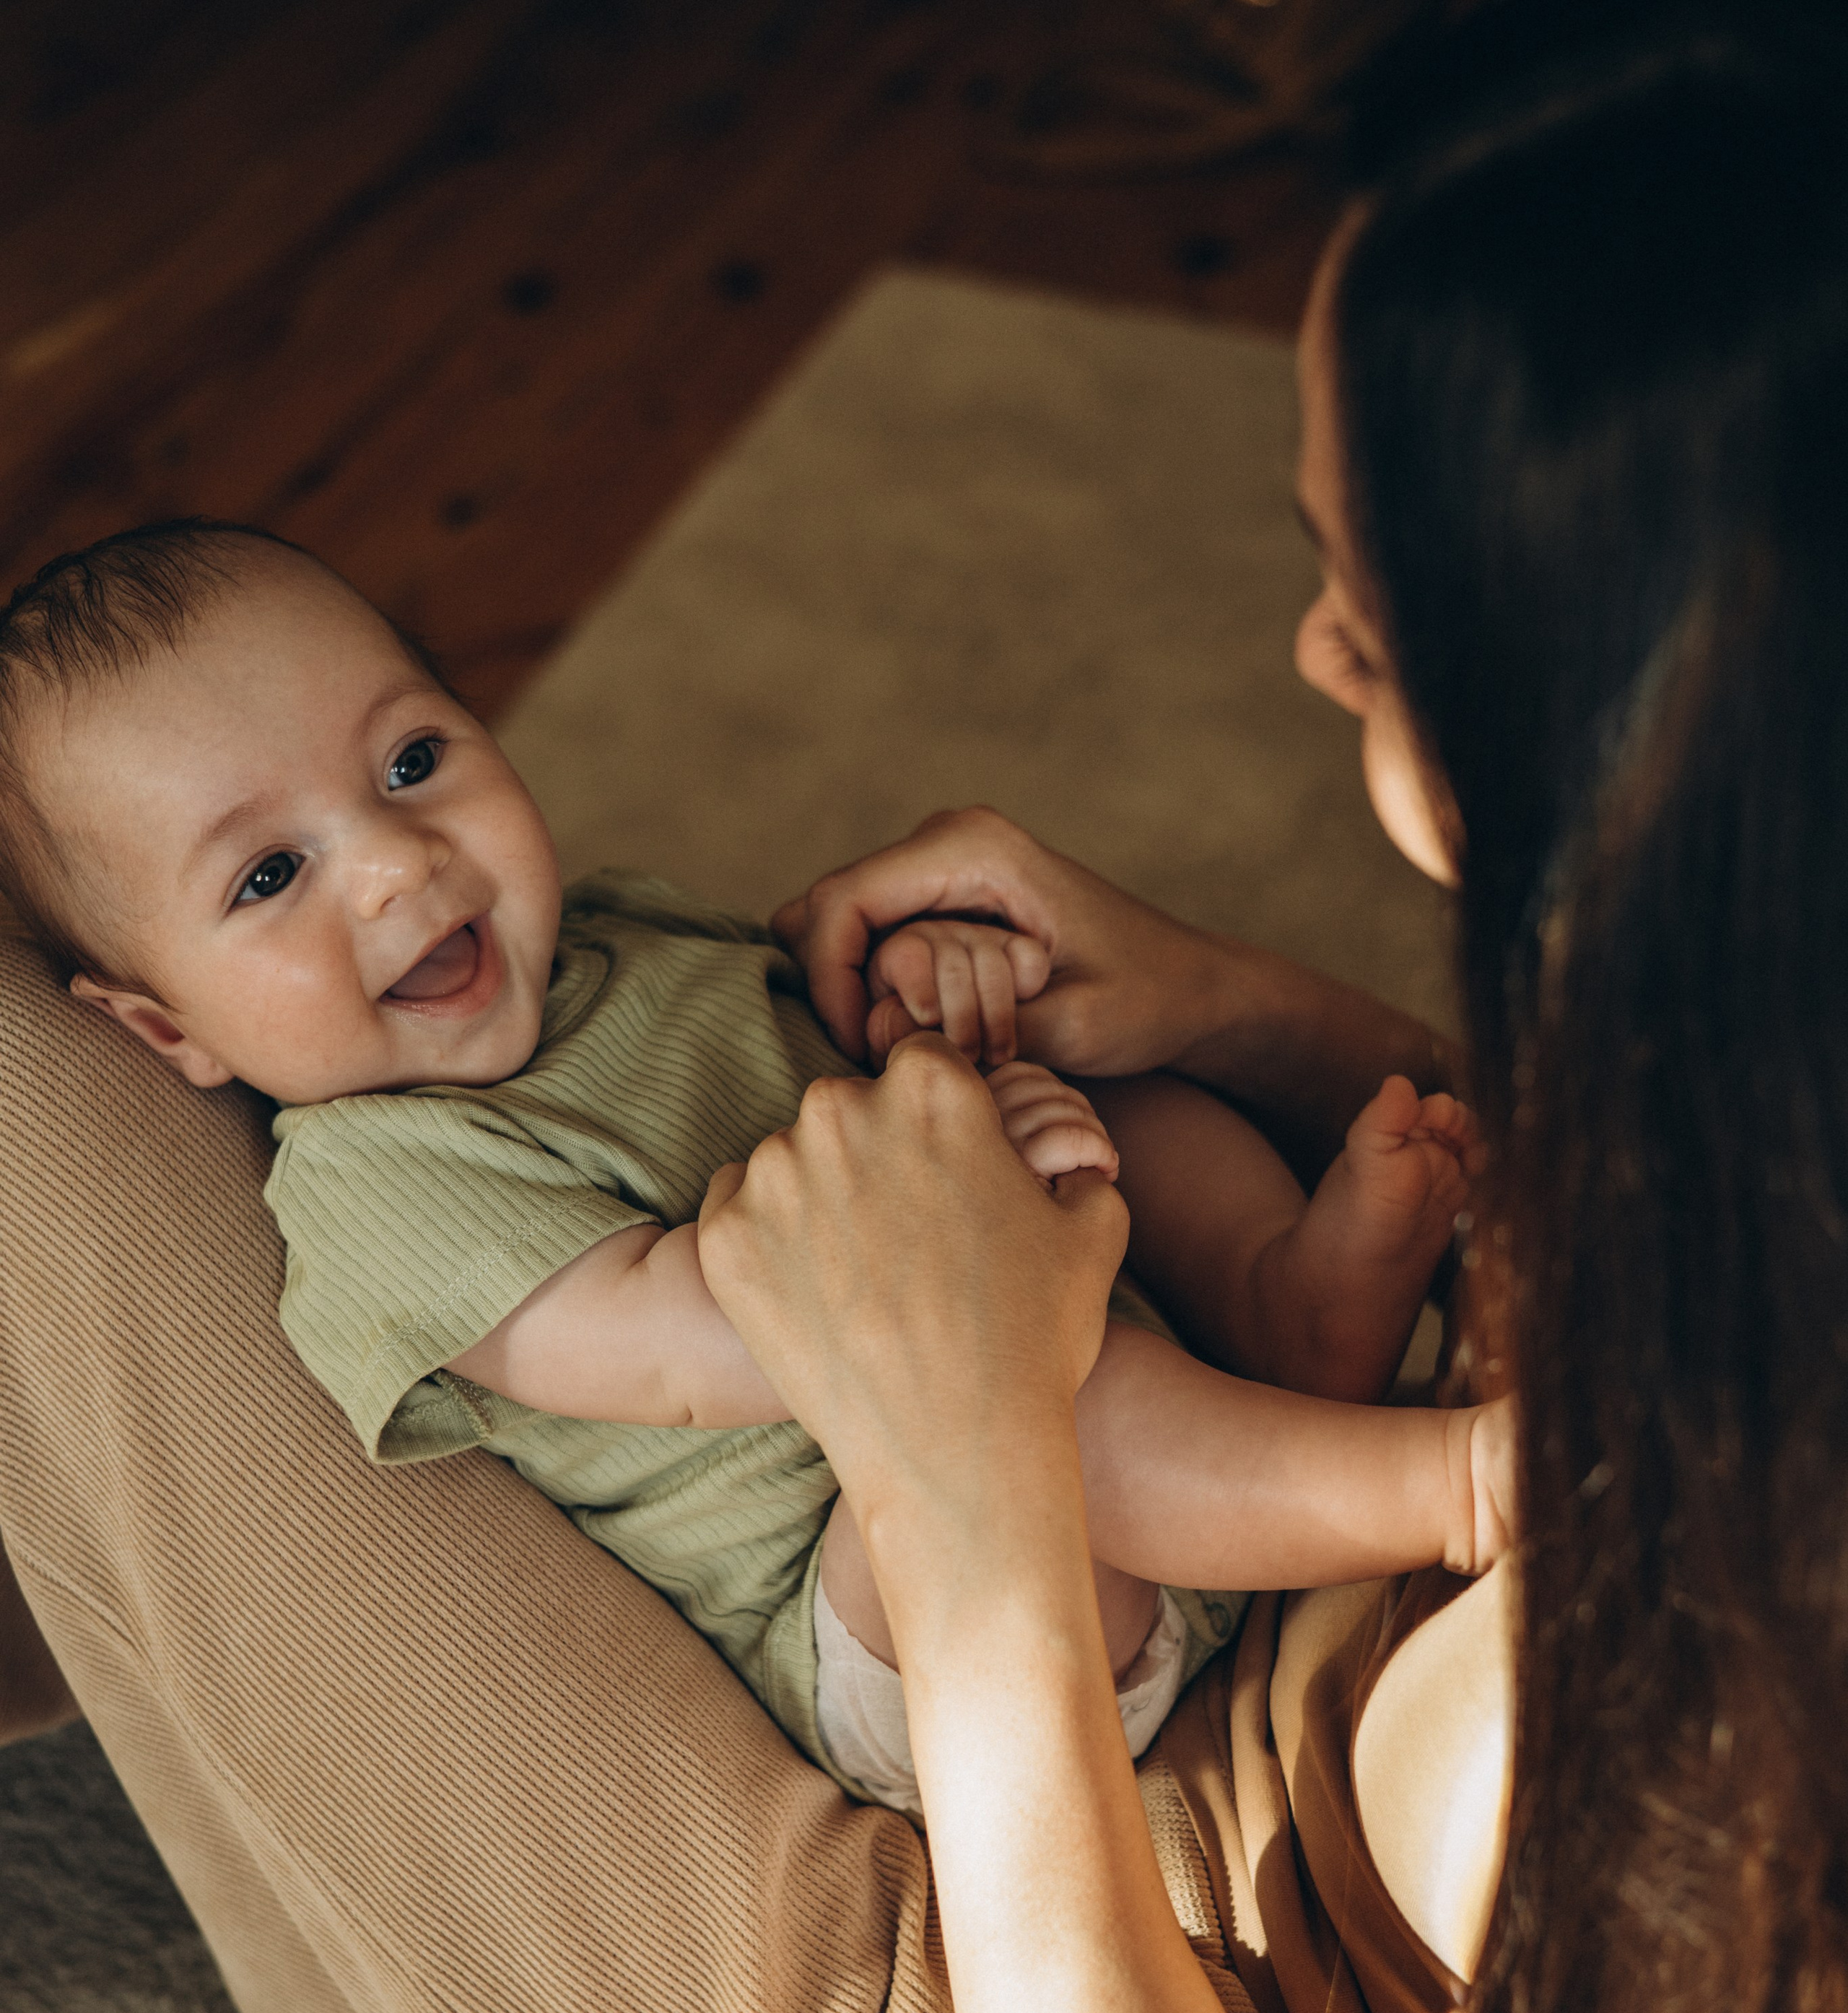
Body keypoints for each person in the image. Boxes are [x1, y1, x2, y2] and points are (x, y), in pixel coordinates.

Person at [1, 0, 1844, 2013]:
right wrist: (1232, 1014)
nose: (1311, 643)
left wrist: (972, 1490)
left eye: (1383, 594)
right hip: (1239, 1647)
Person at [0, 521, 1506, 1818]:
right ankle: (1453, 1489)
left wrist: (929, 1011)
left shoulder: (618, 934)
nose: (398, 864)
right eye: (270, 876)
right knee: (1002, 1386)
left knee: (1109, 1074)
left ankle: (1281, 1308)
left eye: (411, 761)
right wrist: (966, 1225)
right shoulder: (368, 1185)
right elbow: (673, 1347)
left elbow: (822, 1041)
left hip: (1039, 1333)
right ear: (164, 1026)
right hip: (904, 1627)